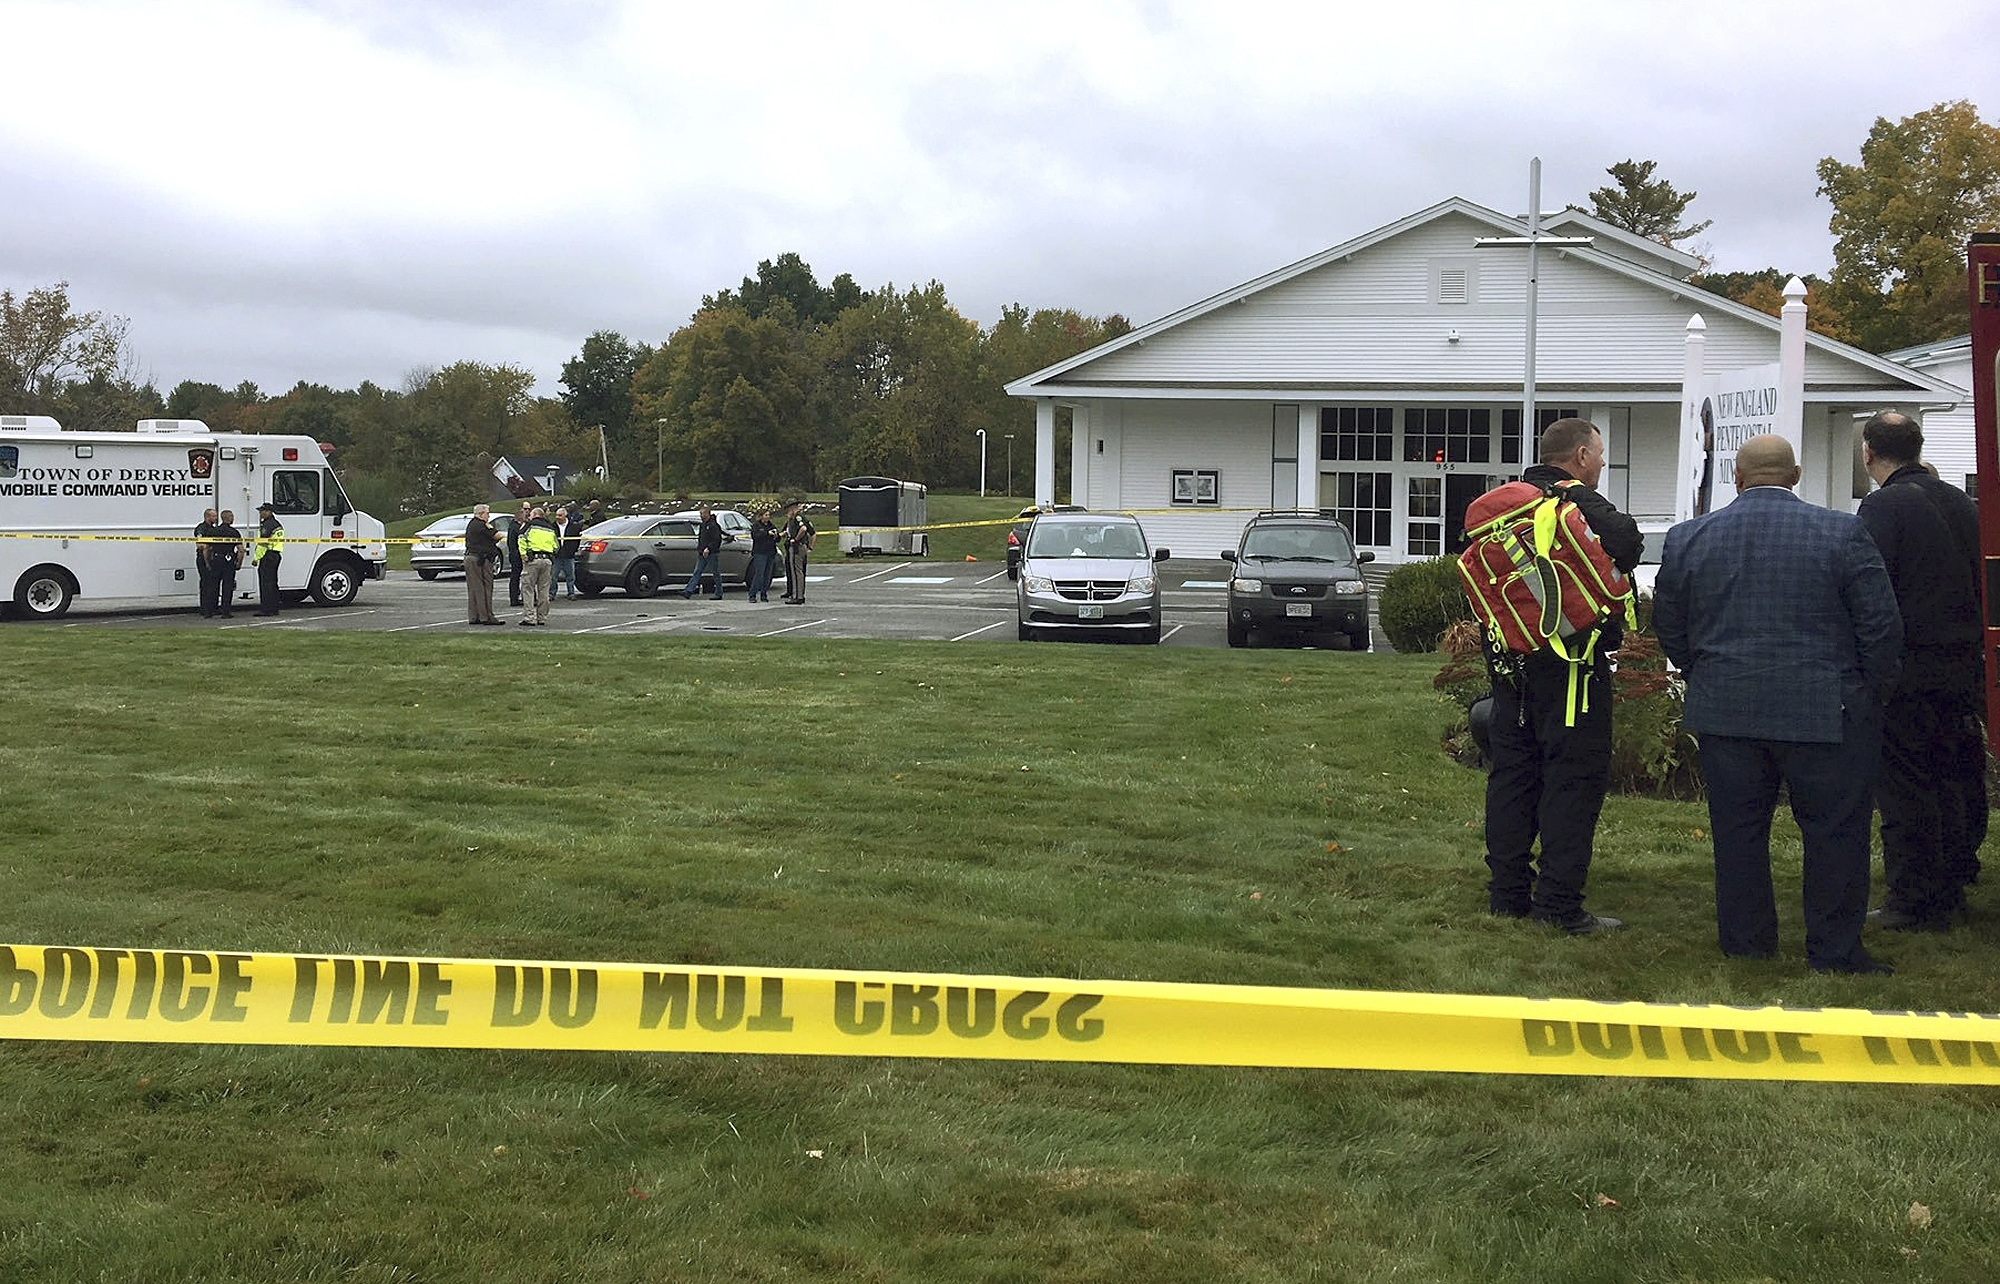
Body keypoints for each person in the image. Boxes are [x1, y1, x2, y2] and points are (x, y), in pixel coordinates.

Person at [1653, 434, 1903, 974]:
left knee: (1738, 832)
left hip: (1726, 708)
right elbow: (1881, 628)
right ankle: (1835, 952)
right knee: (1835, 833)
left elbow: (1669, 627)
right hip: (1825, 709)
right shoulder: (1844, 532)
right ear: (1795, 475)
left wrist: (1705, 674)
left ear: (1736, 478)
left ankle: (1746, 944)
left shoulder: (1688, 538)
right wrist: (1866, 694)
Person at [1480, 418, 1643, 934]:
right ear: (1577, 456)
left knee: (1512, 775)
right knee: (1572, 783)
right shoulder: (1578, 501)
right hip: (1573, 669)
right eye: (1598, 453)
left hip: (1509, 662)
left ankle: (1506, 895)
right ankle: (1559, 905)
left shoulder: (1506, 501)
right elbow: (1629, 542)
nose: (1600, 462)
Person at [1856, 410, 1986, 931]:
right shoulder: (1962, 503)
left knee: (1907, 787)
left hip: (1909, 669)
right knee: (1955, 777)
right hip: (1963, 666)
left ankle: (1912, 899)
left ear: (1868, 452)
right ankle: (1954, 880)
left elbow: (1871, 592)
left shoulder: (1882, 509)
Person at [518, 505, 561, 626]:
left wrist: (523, 555)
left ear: (534, 515)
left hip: (533, 560)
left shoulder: (529, 525)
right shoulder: (550, 528)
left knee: (528, 589)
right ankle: (542, 617)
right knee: (544, 590)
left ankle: (529, 617)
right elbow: (556, 546)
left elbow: (521, 539)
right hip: (547, 560)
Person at [463, 503, 503, 625]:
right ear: (481, 514)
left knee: (474, 588)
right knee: (485, 588)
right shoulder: (482, 525)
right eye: (487, 513)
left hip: (471, 557)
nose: (488, 516)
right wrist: (490, 527)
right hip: (480, 559)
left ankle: (474, 616)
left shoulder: (471, 524)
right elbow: (498, 535)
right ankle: (486, 616)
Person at [682, 505, 727, 600]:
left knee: (716, 573)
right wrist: (701, 549)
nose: (701, 515)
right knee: (697, 572)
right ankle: (688, 591)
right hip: (702, 552)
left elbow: (716, 540)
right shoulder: (703, 525)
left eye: (702, 513)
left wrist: (708, 548)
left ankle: (719, 593)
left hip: (712, 553)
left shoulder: (713, 525)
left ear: (707, 514)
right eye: (700, 513)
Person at [250, 502, 285, 616]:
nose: (260, 513)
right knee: (273, 583)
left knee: (266, 584)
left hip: (267, 556)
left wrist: (256, 558)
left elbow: (263, 544)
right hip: (275, 555)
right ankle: (274, 608)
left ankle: (266, 609)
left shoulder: (267, 525)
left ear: (269, 512)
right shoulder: (276, 524)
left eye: (262, 511)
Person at [782, 502, 816, 604]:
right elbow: (813, 533)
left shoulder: (797, 517)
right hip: (803, 546)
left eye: (788, 510)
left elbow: (803, 529)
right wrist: (810, 547)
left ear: (792, 508)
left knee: (796, 572)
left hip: (797, 547)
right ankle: (799, 595)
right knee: (800, 571)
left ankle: (797, 596)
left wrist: (796, 539)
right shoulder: (802, 518)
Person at [212, 509, 243, 618]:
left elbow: (207, 548)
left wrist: (207, 562)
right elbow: (240, 550)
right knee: (227, 586)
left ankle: (211, 610)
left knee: (214, 585)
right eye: (232, 516)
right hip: (228, 560)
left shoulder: (214, 531)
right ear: (229, 518)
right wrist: (239, 563)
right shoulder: (234, 532)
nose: (233, 518)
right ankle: (225, 611)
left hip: (216, 560)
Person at [193, 508, 222, 617]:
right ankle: (205, 608)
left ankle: (213, 607)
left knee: (214, 584)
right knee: (206, 583)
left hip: (212, 558)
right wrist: (207, 562)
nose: (215, 518)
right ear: (207, 517)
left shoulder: (214, 529)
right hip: (203, 559)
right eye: (213, 516)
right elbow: (200, 544)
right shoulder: (201, 529)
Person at [746, 509, 779, 602]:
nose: (767, 517)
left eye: (768, 515)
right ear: (761, 516)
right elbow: (756, 536)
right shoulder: (756, 526)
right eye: (765, 515)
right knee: (759, 574)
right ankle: (752, 595)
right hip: (760, 553)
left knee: (767, 575)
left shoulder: (771, 525)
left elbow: (777, 538)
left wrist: (776, 536)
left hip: (770, 552)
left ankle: (764, 594)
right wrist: (766, 533)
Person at [555, 505, 585, 600]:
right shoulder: (552, 526)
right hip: (557, 555)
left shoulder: (573, 527)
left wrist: (573, 550)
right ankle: (552, 593)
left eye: (560, 515)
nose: (557, 517)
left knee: (570, 576)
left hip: (569, 555)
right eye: (556, 515)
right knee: (553, 576)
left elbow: (577, 540)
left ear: (565, 516)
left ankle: (571, 593)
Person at [507, 502, 530, 606]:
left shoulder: (512, 526)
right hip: (516, 555)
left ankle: (515, 597)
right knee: (516, 577)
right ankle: (514, 598)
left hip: (514, 554)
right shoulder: (516, 528)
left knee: (516, 577)